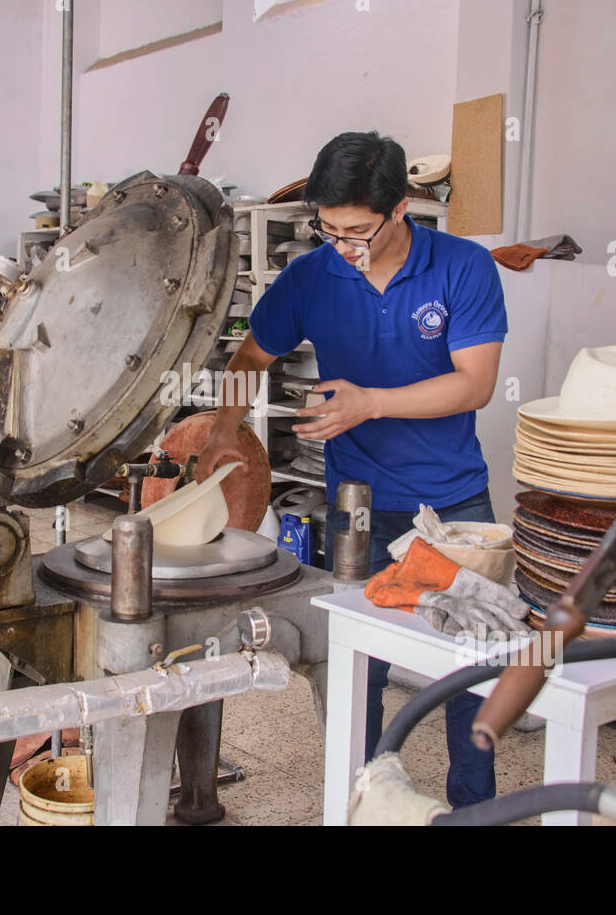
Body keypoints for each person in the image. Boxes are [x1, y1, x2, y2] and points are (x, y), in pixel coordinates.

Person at [196, 131, 508, 807]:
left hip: (456, 504)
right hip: (358, 503)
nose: (343, 244)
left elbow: (475, 384)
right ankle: (362, 798)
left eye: (358, 229)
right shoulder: (312, 275)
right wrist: (226, 428)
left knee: (472, 662)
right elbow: (249, 358)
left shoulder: (463, 267)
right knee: (356, 664)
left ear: (401, 208)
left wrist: (368, 403)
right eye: (328, 228)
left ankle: (474, 810)